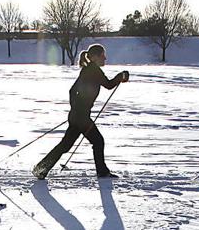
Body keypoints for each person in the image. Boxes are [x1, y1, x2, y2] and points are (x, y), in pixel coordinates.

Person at [33, 44, 129, 180]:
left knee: (65, 145)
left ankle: (41, 168)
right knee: (98, 141)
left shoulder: (88, 69)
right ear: (95, 57)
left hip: (78, 116)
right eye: (102, 55)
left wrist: (75, 109)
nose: (105, 58)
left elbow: (72, 91)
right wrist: (121, 76)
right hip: (81, 117)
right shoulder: (93, 70)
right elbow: (108, 84)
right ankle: (102, 172)